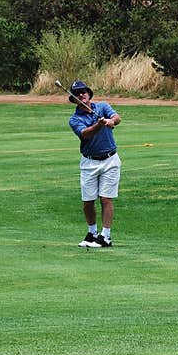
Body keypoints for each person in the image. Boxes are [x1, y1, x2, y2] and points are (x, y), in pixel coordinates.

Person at [67, 80, 121, 248]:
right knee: (88, 201)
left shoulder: (102, 106)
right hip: (89, 162)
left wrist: (111, 121)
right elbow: (86, 134)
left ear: (89, 94)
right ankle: (92, 233)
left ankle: (105, 236)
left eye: (83, 92)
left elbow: (117, 117)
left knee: (106, 198)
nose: (81, 95)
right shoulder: (74, 119)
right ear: (74, 100)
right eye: (77, 94)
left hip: (110, 160)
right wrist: (98, 124)